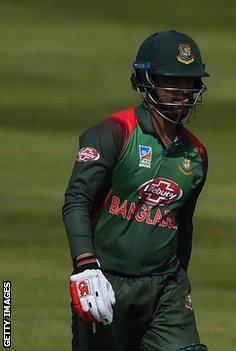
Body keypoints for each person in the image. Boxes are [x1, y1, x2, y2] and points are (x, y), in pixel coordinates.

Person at [62, 30, 210, 351]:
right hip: (107, 281)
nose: (184, 91)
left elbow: (182, 226)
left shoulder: (195, 155)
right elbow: (77, 200)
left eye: (191, 81)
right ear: (146, 80)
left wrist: (180, 279)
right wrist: (85, 264)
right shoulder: (113, 132)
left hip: (165, 287)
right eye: (173, 80)